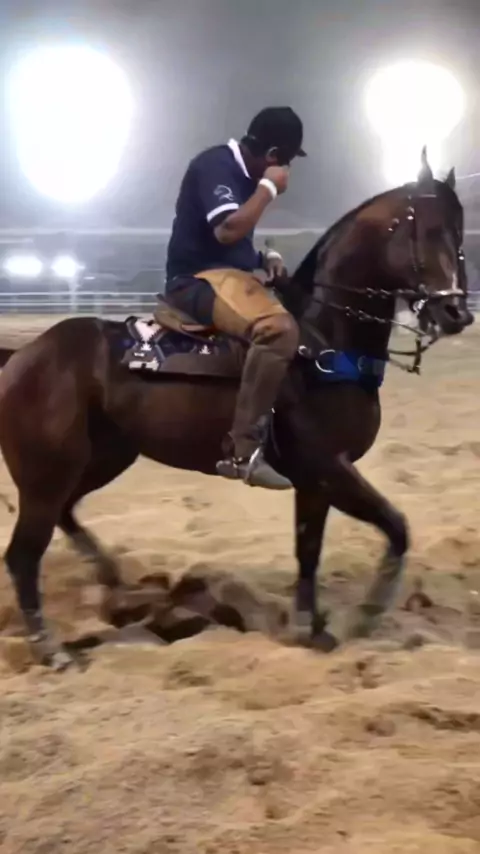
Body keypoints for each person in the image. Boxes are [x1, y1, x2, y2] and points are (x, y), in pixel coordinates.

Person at [164, 106, 306, 489]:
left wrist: (263, 258)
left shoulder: (239, 174)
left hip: (224, 275)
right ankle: (244, 452)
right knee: (278, 330)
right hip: (194, 282)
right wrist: (268, 189)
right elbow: (227, 231)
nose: (287, 171)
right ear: (273, 155)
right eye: (287, 162)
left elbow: (232, 244)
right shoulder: (216, 165)